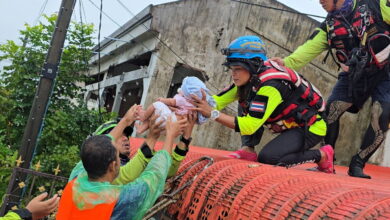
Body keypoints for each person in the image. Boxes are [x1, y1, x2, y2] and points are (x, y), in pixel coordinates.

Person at [271, 0, 390, 179]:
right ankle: (327, 158)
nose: (320, 1)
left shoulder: (377, 4)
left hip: (385, 73)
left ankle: (358, 163)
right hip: (353, 76)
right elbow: (307, 50)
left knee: (382, 115)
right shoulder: (328, 26)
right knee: (331, 109)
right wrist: (285, 63)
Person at [192, 35, 333, 172]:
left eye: (238, 69)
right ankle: (248, 149)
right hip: (289, 124)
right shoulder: (248, 79)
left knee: (269, 158)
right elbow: (216, 101)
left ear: (252, 65)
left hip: (310, 126)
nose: (233, 74)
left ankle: (322, 155)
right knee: (245, 101)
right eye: (232, 69)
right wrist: (191, 103)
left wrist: (212, 114)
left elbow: (249, 126)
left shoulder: (271, 86)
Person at [56, 104, 190, 220]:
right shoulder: (122, 199)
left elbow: (104, 142)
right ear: (113, 166)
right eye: (117, 157)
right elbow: (155, 176)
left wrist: (126, 121)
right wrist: (170, 136)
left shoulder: (76, 180)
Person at [135, 76, 215, 134]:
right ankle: (141, 128)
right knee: (153, 117)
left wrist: (162, 100)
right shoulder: (194, 106)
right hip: (172, 127)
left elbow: (172, 102)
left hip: (169, 120)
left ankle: (144, 116)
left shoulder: (184, 100)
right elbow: (177, 110)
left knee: (157, 105)